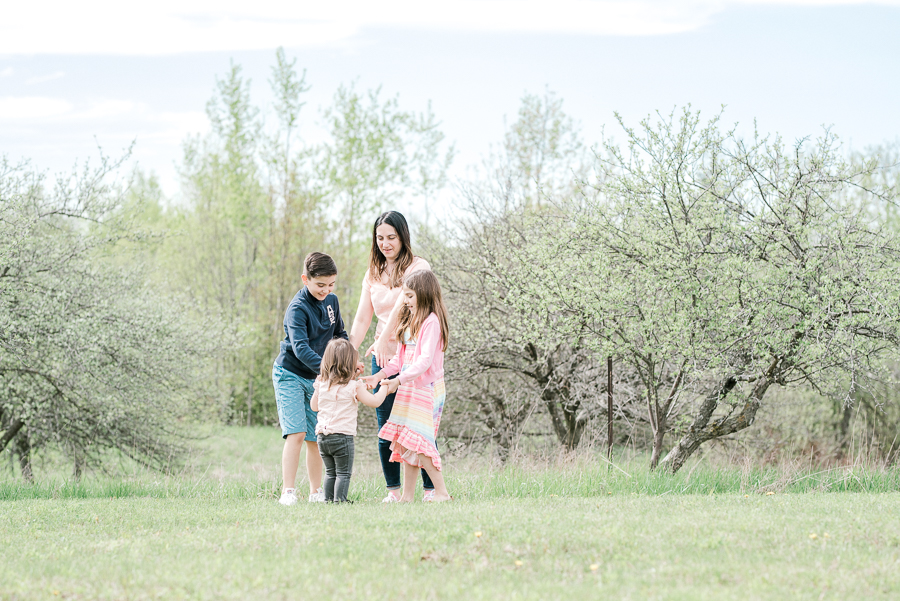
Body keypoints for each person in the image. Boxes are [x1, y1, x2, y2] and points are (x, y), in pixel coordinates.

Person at [349, 211, 435, 503]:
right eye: (380, 238)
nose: (385, 244)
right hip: (383, 357)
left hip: (412, 353)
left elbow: (401, 306)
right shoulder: (373, 273)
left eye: (391, 238)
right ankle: (393, 491)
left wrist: (385, 338)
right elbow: (363, 318)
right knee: (386, 425)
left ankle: (430, 490)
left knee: (418, 424)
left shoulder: (418, 267)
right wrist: (350, 351)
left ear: (403, 237)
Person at [363, 270, 452, 502]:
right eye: (405, 295)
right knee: (407, 441)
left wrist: (398, 380)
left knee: (421, 442)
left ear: (424, 294)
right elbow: (399, 361)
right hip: (409, 387)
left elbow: (424, 361)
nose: (406, 300)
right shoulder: (409, 320)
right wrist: (379, 376)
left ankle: (441, 493)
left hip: (425, 387)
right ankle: (407, 496)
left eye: (410, 296)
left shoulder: (431, 322)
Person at [273, 252, 348, 506]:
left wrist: (347, 360)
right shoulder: (297, 309)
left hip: (318, 378)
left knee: (316, 437)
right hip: (290, 374)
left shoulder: (332, 301)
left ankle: (316, 492)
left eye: (331, 284)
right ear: (305, 279)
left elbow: (339, 334)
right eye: (320, 285)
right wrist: (331, 370)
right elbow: (301, 349)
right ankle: (288, 492)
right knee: (297, 433)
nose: (326, 290)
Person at [310, 339, 390, 502]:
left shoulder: (322, 383)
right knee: (343, 473)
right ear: (349, 364)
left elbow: (314, 406)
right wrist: (385, 388)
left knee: (330, 472)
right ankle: (340, 501)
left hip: (322, 437)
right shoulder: (354, 386)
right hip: (342, 437)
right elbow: (375, 401)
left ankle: (328, 500)